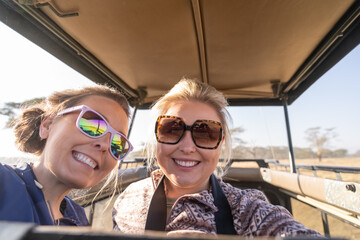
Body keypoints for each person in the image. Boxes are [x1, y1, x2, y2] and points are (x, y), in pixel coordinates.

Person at [112, 78, 322, 237]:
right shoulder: (128, 197)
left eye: (205, 133)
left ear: (220, 145)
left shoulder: (245, 209)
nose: (187, 147)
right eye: (172, 129)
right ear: (157, 137)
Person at [0, 85, 133, 226]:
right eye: (92, 124)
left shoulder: (79, 219)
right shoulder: (4, 183)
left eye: (118, 143)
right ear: (47, 125)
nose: (106, 145)